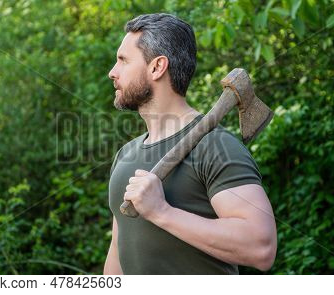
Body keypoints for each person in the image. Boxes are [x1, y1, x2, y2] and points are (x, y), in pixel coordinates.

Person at [104, 13, 277, 275]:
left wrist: (162, 212)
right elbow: (118, 251)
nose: (112, 72)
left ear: (157, 67)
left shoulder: (216, 146)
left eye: (123, 61)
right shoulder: (126, 155)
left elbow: (261, 246)